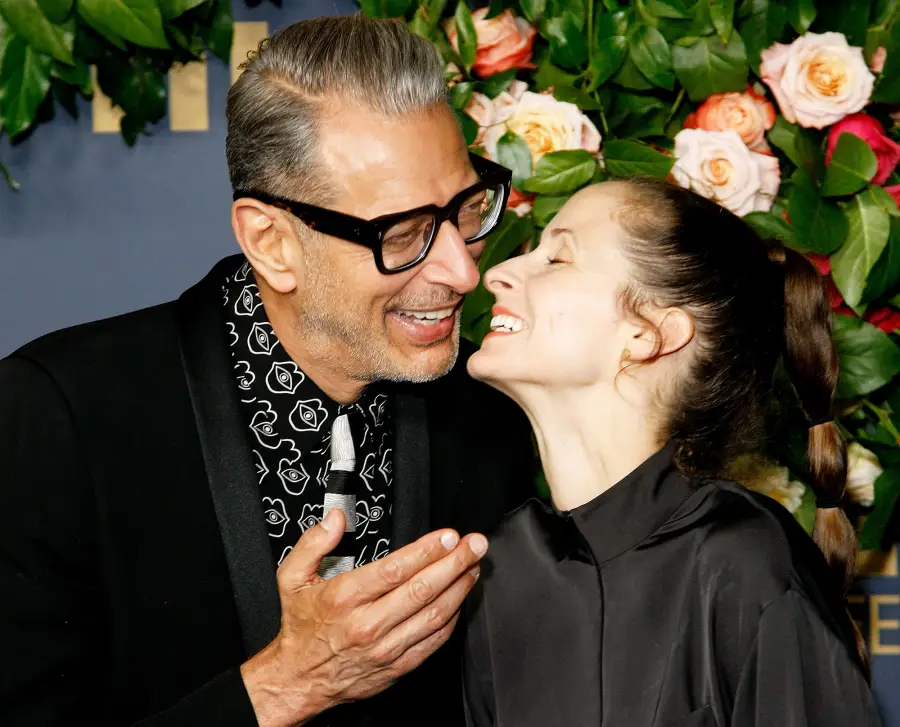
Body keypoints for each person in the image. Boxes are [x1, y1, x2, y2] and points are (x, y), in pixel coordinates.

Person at [0, 16, 535, 727]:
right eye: (402, 234)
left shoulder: (492, 409)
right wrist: (283, 685)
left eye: (468, 210)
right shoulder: (62, 415)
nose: (463, 268)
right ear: (271, 241)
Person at [463, 178, 882, 726]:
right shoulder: (500, 565)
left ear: (650, 335)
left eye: (557, 258)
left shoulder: (742, 563)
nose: (497, 273)